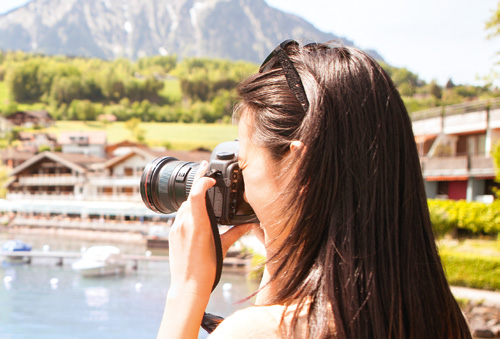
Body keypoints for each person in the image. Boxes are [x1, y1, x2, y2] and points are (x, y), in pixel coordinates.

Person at [157, 40, 472, 338]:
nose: (241, 186)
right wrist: (284, 264)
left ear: (298, 168)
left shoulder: (258, 332)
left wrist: (186, 289)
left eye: (244, 164)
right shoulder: (440, 318)